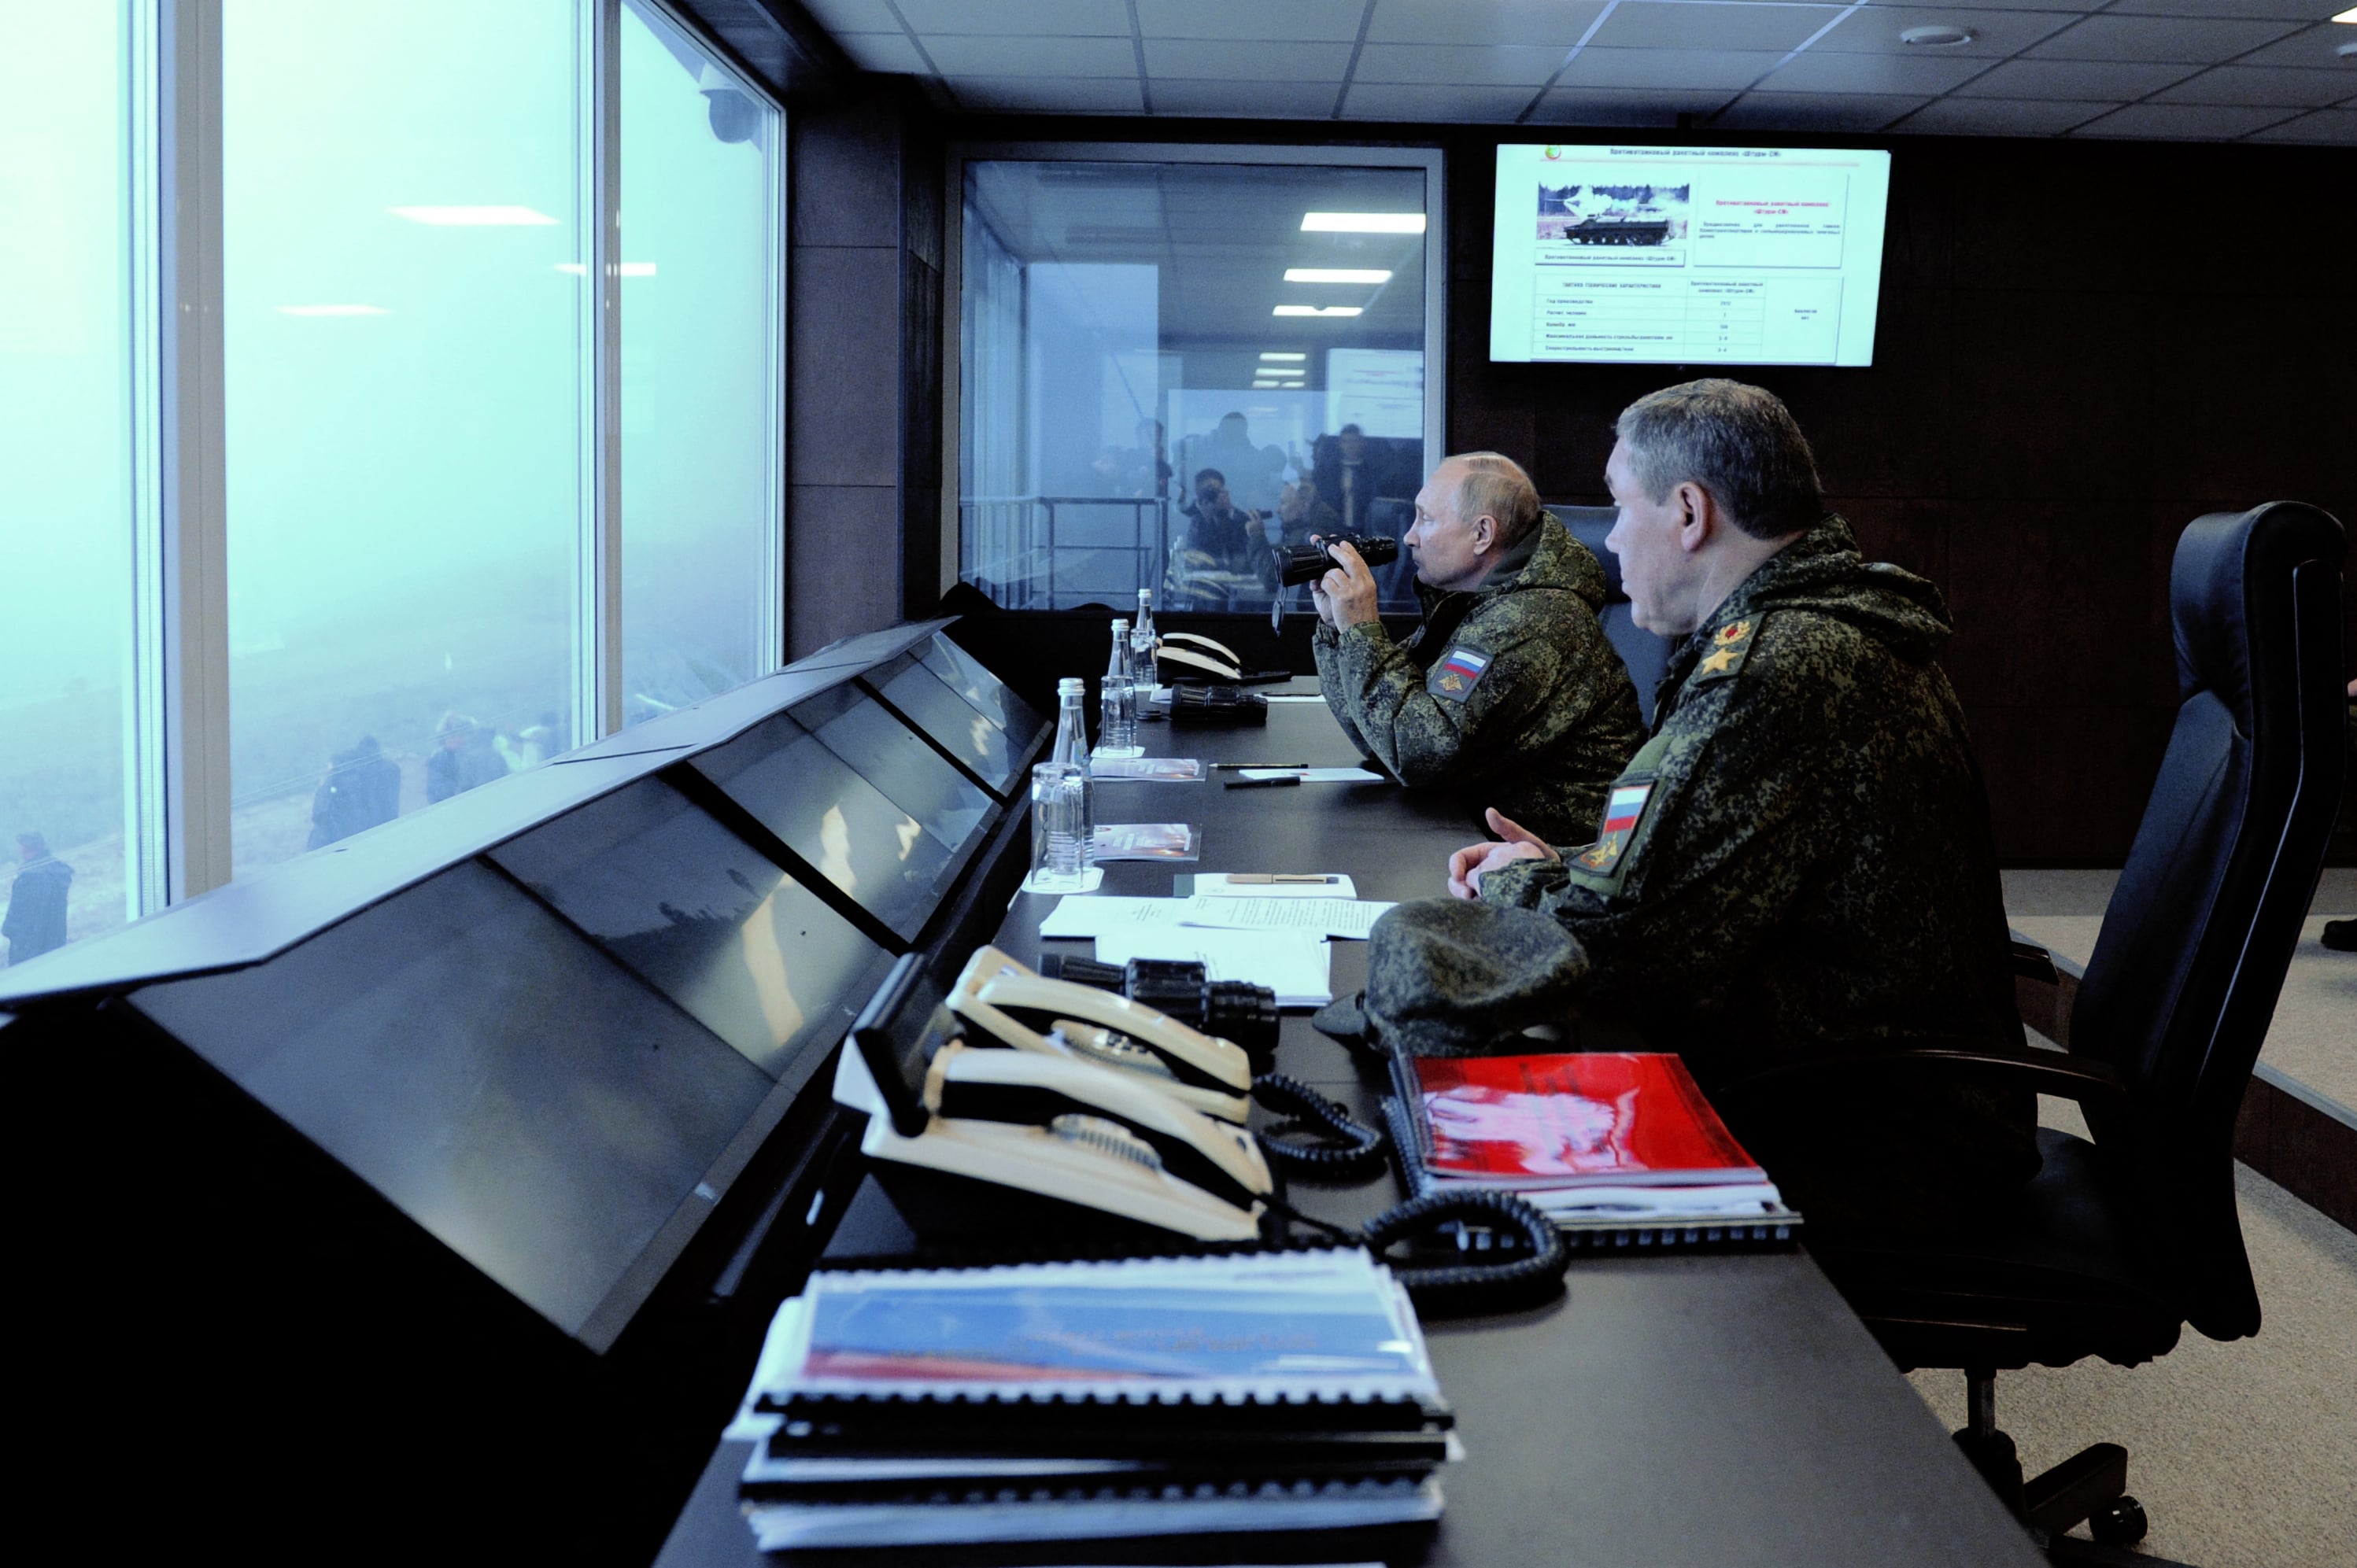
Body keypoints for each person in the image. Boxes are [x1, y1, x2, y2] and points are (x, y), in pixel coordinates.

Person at [1386, 379, 2035, 1232]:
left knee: (1456, 1125)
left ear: (1689, 512)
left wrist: (1510, 883)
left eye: (1621, 507)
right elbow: (1711, 873)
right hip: (1877, 1084)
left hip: (1868, 1130)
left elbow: (1626, 953)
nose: (1610, 539)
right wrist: (1565, 866)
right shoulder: (1830, 625)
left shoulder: (1777, 667)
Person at [1309, 451, 1644, 843]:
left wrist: (1362, 630)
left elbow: (1417, 752)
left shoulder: (1531, 621)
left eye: (1426, 519)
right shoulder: (1481, 604)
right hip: (1481, 835)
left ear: (1482, 534)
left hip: (1559, 859)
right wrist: (1339, 629)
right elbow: (1380, 733)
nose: (1410, 536)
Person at [3, 832, 72, 965]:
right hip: (55, 942)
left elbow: (17, 917)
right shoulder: (56, 871)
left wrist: (9, 930)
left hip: (29, 949)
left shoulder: (30, 878)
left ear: (24, 848)